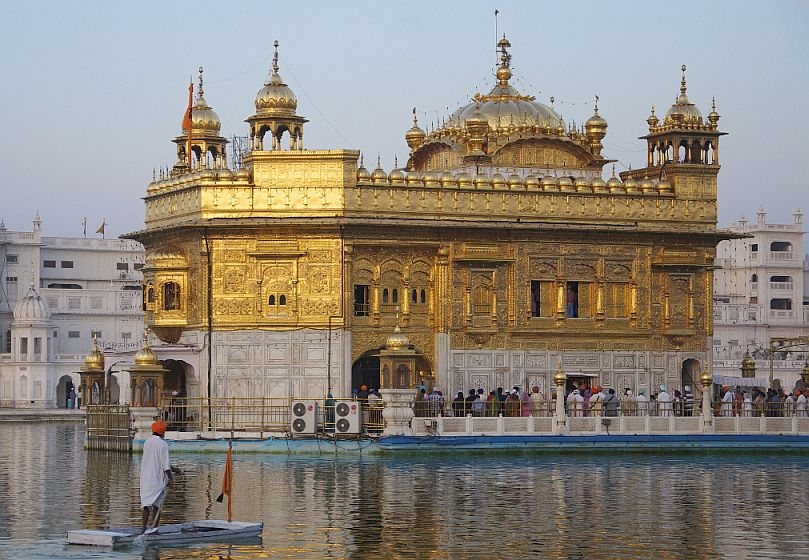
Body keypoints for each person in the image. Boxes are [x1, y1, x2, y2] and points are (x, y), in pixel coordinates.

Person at [140, 420, 174, 534]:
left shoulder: (147, 442)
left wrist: (175, 469)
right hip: (157, 480)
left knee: (146, 505)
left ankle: (143, 529)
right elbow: (165, 465)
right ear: (162, 432)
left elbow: (155, 460)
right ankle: (154, 529)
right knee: (157, 505)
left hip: (145, 479)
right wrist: (171, 479)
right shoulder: (162, 444)